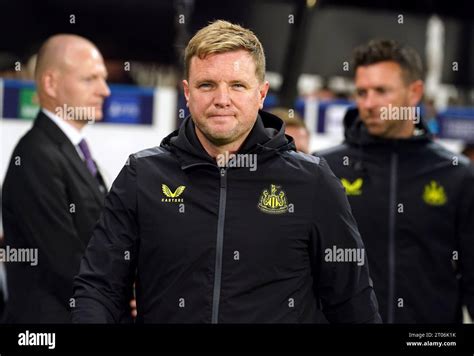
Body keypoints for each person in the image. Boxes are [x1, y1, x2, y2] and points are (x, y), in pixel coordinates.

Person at [72, 20, 380, 324]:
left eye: (237, 86)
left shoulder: (311, 181)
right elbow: (99, 288)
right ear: (187, 91)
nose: (222, 100)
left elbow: (352, 301)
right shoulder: (143, 176)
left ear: (261, 93)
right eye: (207, 85)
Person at [318, 39, 474, 323]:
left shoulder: (456, 174)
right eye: (362, 92)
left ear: (414, 93)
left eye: (381, 91)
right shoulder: (325, 168)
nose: (369, 103)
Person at [2, 34, 110, 322]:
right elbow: (65, 262)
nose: (105, 90)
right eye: (90, 79)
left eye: (103, 78)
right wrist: (120, 298)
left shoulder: (71, 152)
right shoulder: (36, 155)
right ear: (50, 83)